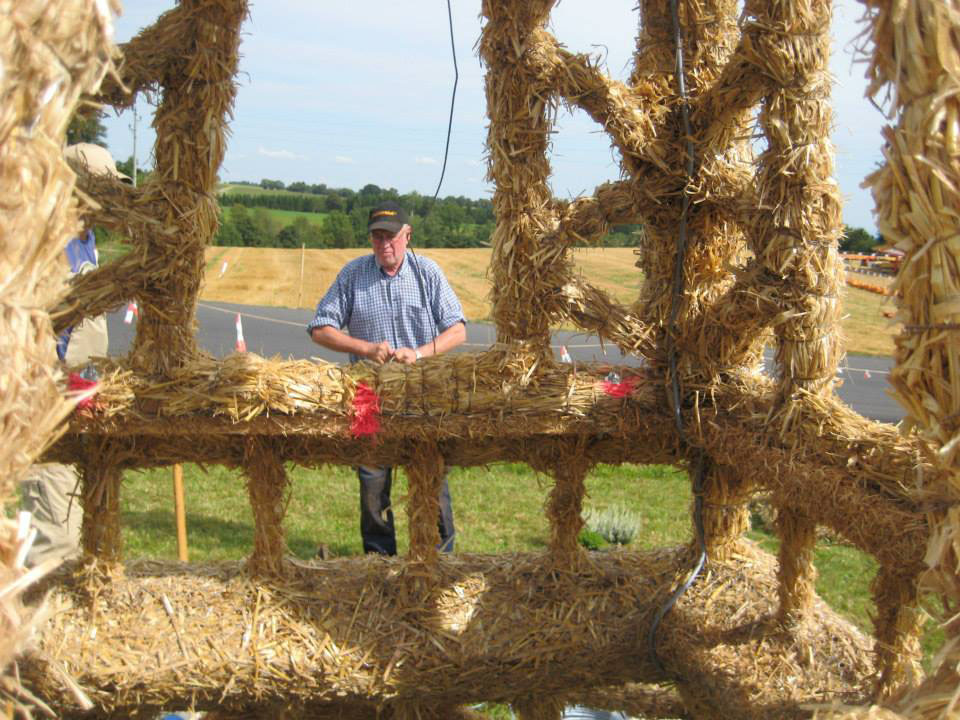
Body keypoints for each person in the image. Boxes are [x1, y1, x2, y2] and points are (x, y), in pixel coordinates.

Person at [307, 201, 466, 555]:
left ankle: (439, 558)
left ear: (408, 236)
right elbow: (319, 328)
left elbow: (457, 330)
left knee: (431, 474)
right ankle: (379, 561)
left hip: (422, 391)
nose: (384, 244)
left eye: (391, 237)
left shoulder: (427, 273)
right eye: (377, 237)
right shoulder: (353, 274)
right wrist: (365, 348)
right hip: (367, 392)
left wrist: (419, 353)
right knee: (372, 480)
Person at [20, 143, 130, 569]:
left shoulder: (87, 238)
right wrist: (58, 380)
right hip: (44, 401)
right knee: (56, 534)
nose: (114, 198)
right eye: (104, 189)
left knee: (76, 521)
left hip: (77, 394)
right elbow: (26, 324)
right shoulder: (44, 240)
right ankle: (37, 606)